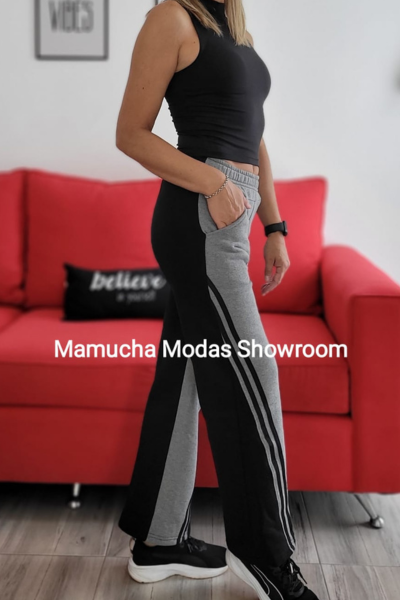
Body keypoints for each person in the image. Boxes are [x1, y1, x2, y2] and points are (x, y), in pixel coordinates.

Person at [115, 1, 319, 598]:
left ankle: (158, 540)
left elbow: (255, 136)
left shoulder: (232, 29)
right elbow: (130, 133)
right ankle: (268, 556)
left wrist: (274, 226)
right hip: (199, 219)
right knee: (255, 376)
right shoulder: (172, 18)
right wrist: (215, 183)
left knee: (184, 379)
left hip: (228, 220)